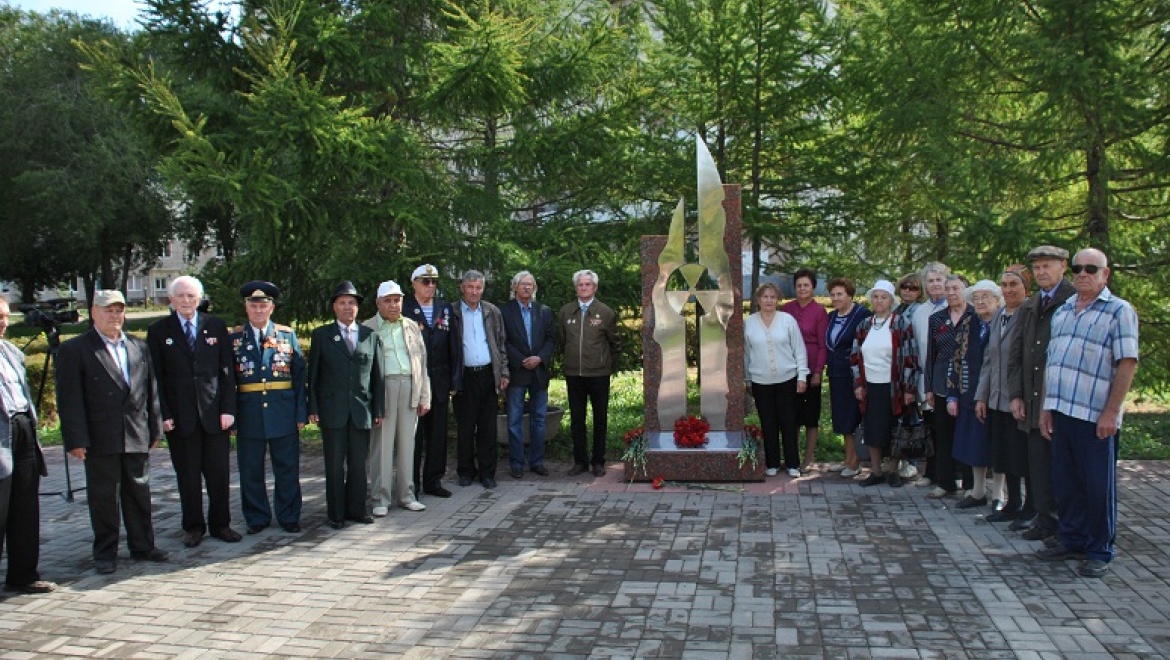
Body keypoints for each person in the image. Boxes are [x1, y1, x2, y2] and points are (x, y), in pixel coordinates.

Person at [1036, 248, 1138, 578]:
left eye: (1091, 268)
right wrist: (1047, 407)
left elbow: (1126, 363)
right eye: (1078, 268)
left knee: (1097, 484)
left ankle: (1098, 548)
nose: (1083, 273)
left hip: (1095, 415)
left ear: (1105, 274)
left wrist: (1111, 412)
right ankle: (1072, 538)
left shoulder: (1118, 311)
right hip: (1062, 409)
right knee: (1066, 482)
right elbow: (1054, 363)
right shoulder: (1065, 310)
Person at [57, 290, 167, 574]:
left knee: (139, 492)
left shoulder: (138, 347)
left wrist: (155, 427)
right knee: (104, 497)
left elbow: (151, 391)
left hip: (135, 432)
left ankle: (143, 545)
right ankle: (105, 553)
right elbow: (70, 400)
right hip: (99, 436)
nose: (114, 316)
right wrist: (76, 439)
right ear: (93, 312)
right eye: (108, 310)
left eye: (119, 310)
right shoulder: (76, 349)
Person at [146, 276, 241, 549]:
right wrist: (163, 414)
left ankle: (221, 524)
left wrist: (228, 409)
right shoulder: (159, 330)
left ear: (200, 299)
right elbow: (156, 379)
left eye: (191, 296)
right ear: (171, 300)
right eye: (181, 296)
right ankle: (193, 527)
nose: (186, 301)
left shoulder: (215, 326)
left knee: (219, 474)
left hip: (214, 415)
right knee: (187, 476)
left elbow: (226, 372)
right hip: (180, 417)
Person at [1008, 246, 1074, 541]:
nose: (1042, 272)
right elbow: (1017, 353)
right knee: (1039, 465)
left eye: (1047, 266)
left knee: (1064, 467)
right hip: (1033, 402)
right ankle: (1046, 519)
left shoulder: (1074, 300)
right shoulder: (1031, 304)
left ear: (1063, 266)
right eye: (1037, 267)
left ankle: (1067, 525)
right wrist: (1017, 394)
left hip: (1061, 401)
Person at [231, 281, 307, 535]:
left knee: (287, 468)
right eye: (254, 305)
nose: (259, 310)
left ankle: (289, 516)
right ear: (246, 308)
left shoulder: (286, 335)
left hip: (282, 412)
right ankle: (256, 517)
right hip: (248, 412)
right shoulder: (234, 339)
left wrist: (300, 413)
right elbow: (227, 380)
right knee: (251, 469)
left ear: (271, 308)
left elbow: (298, 377)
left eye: (263, 305)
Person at [308, 281, 384, 529]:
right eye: (342, 302)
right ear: (334, 307)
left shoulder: (370, 336)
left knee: (358, 464)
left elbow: (377, 377)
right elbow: (314, 376)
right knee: (334, 464)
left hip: (361, 410)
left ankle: (357, 510)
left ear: (358, 308)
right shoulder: (321, 336)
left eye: (352, 303)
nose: (347, 307)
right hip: (332, 410)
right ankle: (336, 514)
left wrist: (379, 409)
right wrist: (313, 408)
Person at [0, 298, 55, 593]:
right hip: (1, 436)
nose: (3, 322)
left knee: (24, 507)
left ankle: (23, 574)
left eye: (6, 316)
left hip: (23, 430)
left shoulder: (10, 351)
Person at [364, 280, 430, 515]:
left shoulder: (411, 326)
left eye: (397, 300)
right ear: (378, 303)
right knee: (381, 445)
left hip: (410, 385)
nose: (393, 306)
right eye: (388, 301)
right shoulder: (369, 327)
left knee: (407, 444)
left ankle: (406, 495)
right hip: (384, 388)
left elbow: (422, 362)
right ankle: (380, 499)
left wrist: (424, 396)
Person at [975, 265, 1033, 523]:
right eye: (1005, 285)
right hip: (997, 397)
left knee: (1024, 454)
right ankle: (1012, 503)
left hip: (1020, 398)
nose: (1009, 290)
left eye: (1014, 285)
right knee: (1005, 453)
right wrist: (982, 395)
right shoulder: (999, 315)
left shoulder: (1030, 313)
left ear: (1025, 288)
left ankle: (1031, 507)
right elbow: (989, 358)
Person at [850, 280, 918, 487]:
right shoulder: (864, 325)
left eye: (884, 297)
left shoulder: (901, 324)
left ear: (891, 301)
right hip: (871, 386)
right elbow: (855, 357)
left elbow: (910, 357)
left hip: (894, 387)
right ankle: (876, 470)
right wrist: (858, 384)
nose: (879, 301)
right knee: (872, 428)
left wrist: (909, 388)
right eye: (876, 297)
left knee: (895, 428)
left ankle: (893, 470)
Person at [403, 264, 461, 499]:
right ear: (414, 283)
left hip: (439, 380)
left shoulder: (444, 308)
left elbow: (454, 346)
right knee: (414, 436)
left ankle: (433, 481)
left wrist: (455, 381)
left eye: (434, 282)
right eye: (425, 282)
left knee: (438, 435)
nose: (430, 287)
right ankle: (411, 484)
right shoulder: (404, 307)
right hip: (413, 381)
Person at [558, 269, 622, 477]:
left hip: (598, 375)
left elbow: (615, 343)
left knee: (600, 418)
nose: (583, 288)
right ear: (576, 288)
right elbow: (562, 340)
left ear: (594, 287)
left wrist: (605, 363)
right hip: (574, 374)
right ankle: (580, 461)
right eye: (580, 285)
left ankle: (598, 461)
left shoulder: (605, 312)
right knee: (577, 419)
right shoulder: (566, 312)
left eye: (587, 284)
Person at [452, 271, 509, 489]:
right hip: (464, 376)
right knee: (465, 427)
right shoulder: (453, 311)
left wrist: (504, 373)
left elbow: (501, 344)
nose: (474, 291)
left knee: (488, 427)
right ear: (462, 288)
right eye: (470, 287)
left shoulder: (492, 311)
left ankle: (487, 473)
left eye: (478, 287)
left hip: (488, 374)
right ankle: (466, 471)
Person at [947, 280, 1001, 509]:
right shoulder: (969, 322)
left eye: (985, 297)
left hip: (998, 394)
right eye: (976, 298)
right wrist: (952, 394)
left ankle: (999, 494)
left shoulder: (1004, 321)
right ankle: (978, 491)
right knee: (974, 444)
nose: (980, 302)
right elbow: (956, 358)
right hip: (969, 392)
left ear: (997, 300)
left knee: (998, 446)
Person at [746, 282, 809, 477]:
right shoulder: (748, 323)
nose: (769, 300)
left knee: (788, 421)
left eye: (773, 297)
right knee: (768, 422)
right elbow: (746, 354)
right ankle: (772, 462)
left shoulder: (787, 320)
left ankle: (792, 464)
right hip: (760, 380)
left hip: (787, 378)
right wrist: (747, 379)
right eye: (765, 297)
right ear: (758, 300)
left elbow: (799, 348)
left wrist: (802, 375)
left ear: (778, 300)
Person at [501, 271, 555, 479]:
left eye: (530, 284)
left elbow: (551, 339)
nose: (526, 288)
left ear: (534, 288)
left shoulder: (544, 311)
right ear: (515, 287)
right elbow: (503, 340)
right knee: (514, 420)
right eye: (522, 284)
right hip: (517, 372)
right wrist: (522, 360)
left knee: (539, 419)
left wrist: (539, 358)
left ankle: (537, 462)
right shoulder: (505, 311)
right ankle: (516, 463)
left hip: (539, 372)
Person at [924, 274, 972, 499]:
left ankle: (971, 484)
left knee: (968, 432)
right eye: (948, 289)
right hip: (942, 381)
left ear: (965, 290)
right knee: (943, 433)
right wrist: (929, 387)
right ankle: (946, 482)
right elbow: (931, 355)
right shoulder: (936, 319)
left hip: (968, 383)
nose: (951, 293)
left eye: (956, 288)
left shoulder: (975, 315)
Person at [780, 269, 828, 471]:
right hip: (787, 369)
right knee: (790, 415)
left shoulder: (819, 312)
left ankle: (808, 458)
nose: (802, 289)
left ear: (813, 287)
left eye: (806, 285)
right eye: (799, 285)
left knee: (810, 416)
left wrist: (817, 371)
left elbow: (823, 344)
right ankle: (792, 457)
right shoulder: (786, 309)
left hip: (810, 370)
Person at [824, 277, 872, 477]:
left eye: (840, 294)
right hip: (836, 373)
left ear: (850, 295)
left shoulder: (862, 315)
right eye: (833, 294)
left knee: (854, 415)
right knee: (843, 416)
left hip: (855, 374)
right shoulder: (833, 316)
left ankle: (856, 462)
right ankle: (847, 458)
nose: (835, 298)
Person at [911, 262, 950, 485]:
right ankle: (931, 471)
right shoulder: (921, 311)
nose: (935, 284)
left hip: (947, 378)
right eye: (931, 281)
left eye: (939, 280)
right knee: (930, 426)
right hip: (925, 378)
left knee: (947, 427)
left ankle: (950, 474)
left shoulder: (955, 307)